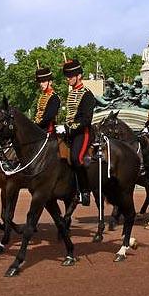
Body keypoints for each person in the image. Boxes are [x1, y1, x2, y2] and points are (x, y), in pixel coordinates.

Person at [63, 58, 96, 206]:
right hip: (70, 132)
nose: (68, 79)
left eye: (71, 76)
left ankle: (85, 190)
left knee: (76, 159)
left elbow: (86, 119)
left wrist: (73, 127)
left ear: (79, 76)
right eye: (67, 76)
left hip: (83, 133)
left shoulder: (87, 94)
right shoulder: (71, 93)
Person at [34, 65, 60, 133]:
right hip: (39, 129)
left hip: (48, 130)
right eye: (40, 82)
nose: (41, 84)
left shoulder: (54, 97)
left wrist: (37, 125)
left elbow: (49, 117)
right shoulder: (41, 96)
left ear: (50, 82)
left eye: (43, 81)